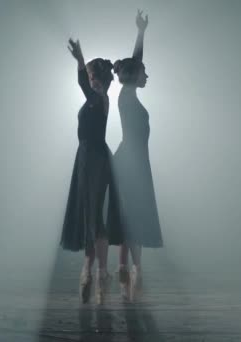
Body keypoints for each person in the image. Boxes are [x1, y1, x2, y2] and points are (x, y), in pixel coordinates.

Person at [108, 10, 163, 303]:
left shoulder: (131, 96)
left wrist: (141, 33)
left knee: (135, 220)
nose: (147, 75)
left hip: (136, 162)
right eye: (144, 72)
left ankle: (133, 275)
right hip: (130, 162)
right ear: (133, 75)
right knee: (130, 219)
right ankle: (128, 276)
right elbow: (135, 63)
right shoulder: (126, 96)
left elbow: (135, 65)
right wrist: (140, 34)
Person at [60, 38, 117, 305]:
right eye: (91, 78)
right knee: (88, 213)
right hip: (85, 157)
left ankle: (98, 275)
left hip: (94, 158)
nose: (92, 81)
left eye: (94, 78)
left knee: (93, 213)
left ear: (102, 81)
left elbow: (83, 85)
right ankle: (91, 273)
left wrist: (80, 58)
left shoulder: (99, 98)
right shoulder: (95, 99)